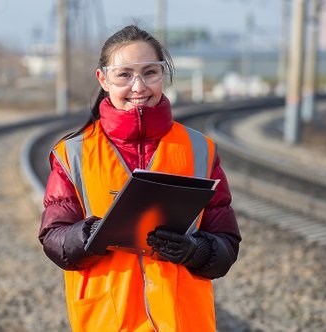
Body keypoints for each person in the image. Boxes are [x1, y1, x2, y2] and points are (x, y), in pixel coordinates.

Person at [38, 25, 241, 331]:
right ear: (103, 79)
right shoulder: (73, 153)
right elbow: (54, 239)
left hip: (183, 321)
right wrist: (90, 235)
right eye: (124, 75)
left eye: (150, 73)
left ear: (164, 75)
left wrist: (195, 250)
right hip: (109, 320)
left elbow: (226, 242)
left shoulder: (200, 149)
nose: (139, 86)